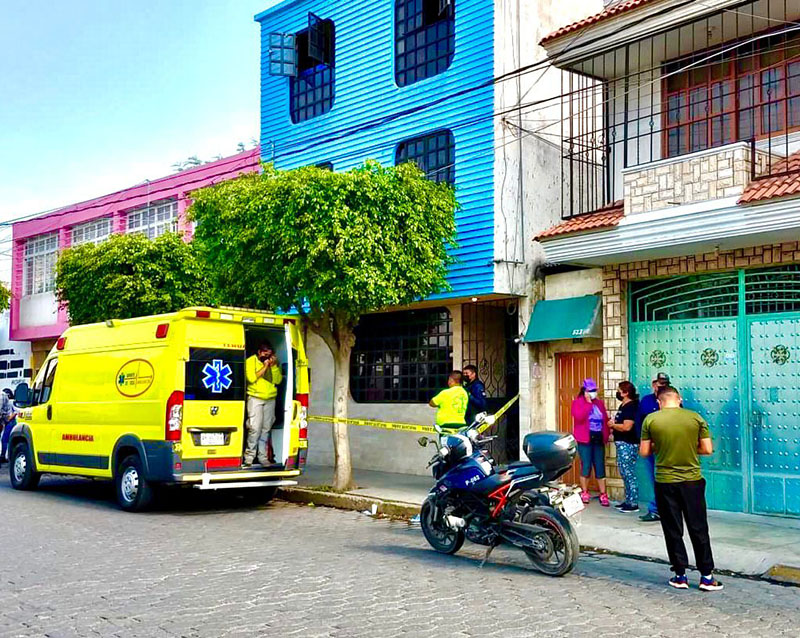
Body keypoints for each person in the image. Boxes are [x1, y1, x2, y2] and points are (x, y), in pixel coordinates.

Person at [640, 385, 722, 591]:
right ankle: (706, 577)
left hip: (665, 481)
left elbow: (644, 452)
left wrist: (662, 447)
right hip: (692, 481)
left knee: (672, 529)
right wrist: (688, 447)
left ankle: (680, 575)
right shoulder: (695, 418)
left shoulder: (651, 420)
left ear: (659, 402)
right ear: (680, 399)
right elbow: (708, 449)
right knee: (698, 527)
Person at [636, 372, 671, 521]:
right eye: (660, 383)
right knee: (655, 478)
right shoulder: (646, 401)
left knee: (667, 478)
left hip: (668, 447)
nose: (662, 386)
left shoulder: (672, 400)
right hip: (651, 447)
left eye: (665, 384)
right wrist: (643, 442)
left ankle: (666, 509)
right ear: (654, 384)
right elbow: (640, 422)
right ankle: (657, 509)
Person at [571, 378, 610, 506]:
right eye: (591, 391)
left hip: (598, 438)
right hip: (584, 438)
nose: (594, 393)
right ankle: (585, 491)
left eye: (595, 391)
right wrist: (587, 403)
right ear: (585, 391)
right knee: (586, 465)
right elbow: (579, 417)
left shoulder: (599, 403)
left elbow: (605, 419)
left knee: (599, 466)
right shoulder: (577, 403)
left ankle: (603, 493)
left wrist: (606, 435)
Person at [244, 342, 283, 467]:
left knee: (266, 429)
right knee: (254, 428)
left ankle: (263, 457)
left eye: (269, 355)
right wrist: (265, 367)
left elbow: (278, 380)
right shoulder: (251, 361)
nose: (267, 358)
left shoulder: (274, 365)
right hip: (255, 398)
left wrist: (274, 366)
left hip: (270, 399)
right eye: (265, 355)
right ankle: (249, 456)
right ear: (259, 352)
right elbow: (251, 378)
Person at [610, 381, 639, 513]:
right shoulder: (623, 405)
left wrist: (612, 425)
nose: (617, 393)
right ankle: (628, 500)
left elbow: (627, 427)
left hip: (628, 443)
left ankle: (633, 503)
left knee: (629, 473)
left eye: (619, 390)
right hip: (621, 443)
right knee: (624, 472)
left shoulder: (631, 407)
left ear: (626, 393)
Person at [0, 387, 16, 465]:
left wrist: (9, 419)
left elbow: (15, 412)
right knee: (5, 439)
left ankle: (4, 456)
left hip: (10, 421)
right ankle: (4, 456)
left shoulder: (3, 398)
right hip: (6, 420)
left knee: (5, 439)